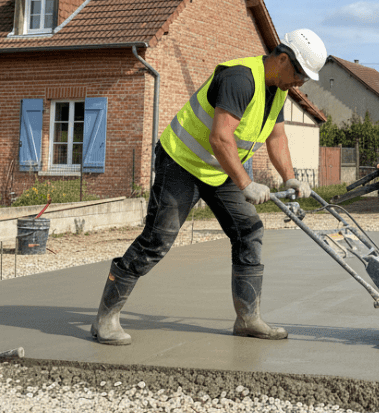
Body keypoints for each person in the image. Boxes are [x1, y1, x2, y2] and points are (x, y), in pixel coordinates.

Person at [91, 29, 328, 345]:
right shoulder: (240, 78)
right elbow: (220, 137)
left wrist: (289, 178)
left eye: (305, 79)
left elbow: (277, 137)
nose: (300, 83)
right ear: (283, 59)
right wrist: (246, 183)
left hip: (218, 170)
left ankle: (248, 319)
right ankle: (105, 319)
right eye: (300, 74)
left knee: (249, 229)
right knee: (157, 240)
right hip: (181, 163)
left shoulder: (279, 90)